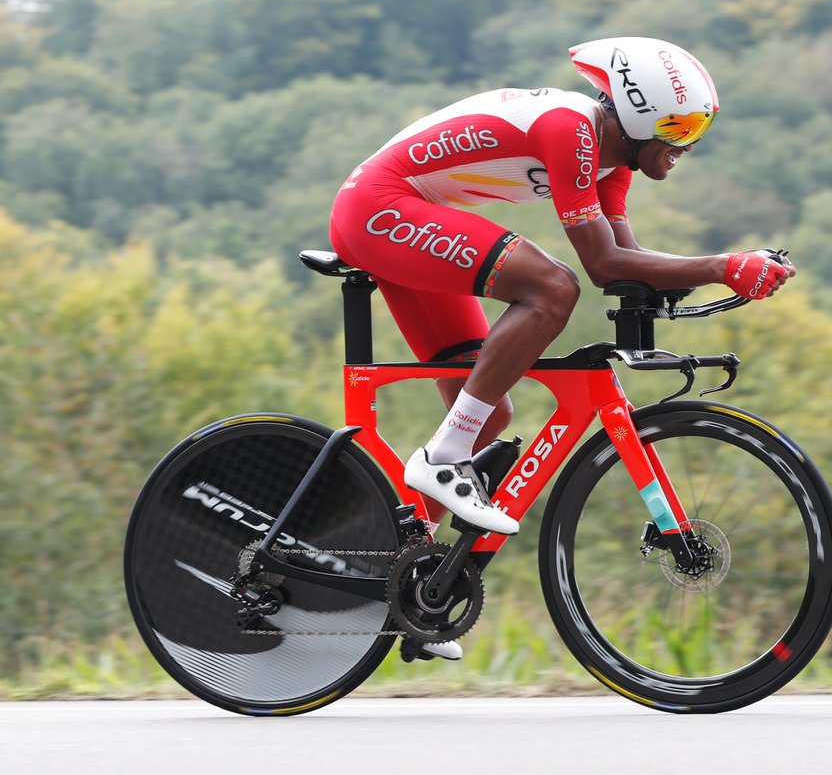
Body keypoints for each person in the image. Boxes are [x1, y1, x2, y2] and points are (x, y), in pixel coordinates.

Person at [328, 37, 794, 658]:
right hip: (380, 211)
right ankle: (442, 457)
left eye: (699, 128)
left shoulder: (613, 162)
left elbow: (628, 263)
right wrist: (719, 265)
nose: (687, 144)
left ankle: (408, 587)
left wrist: (708, 276)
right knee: (552, 289)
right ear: (633, 114)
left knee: (488, 412)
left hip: (412, 214)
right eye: (677, 126)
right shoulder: (570, 131)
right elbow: (601, 265)